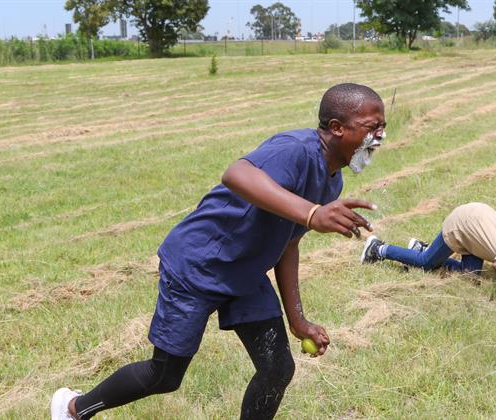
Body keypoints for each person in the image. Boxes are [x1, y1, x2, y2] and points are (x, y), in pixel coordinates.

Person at [51, 83, 386, 420]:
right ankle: (72, 409)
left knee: (277, 368)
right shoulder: (295, 150)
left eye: (382, 127)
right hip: (200, 264)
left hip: (245, 273)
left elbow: (289, 243)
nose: (380, 136)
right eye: (372, 127)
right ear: (337, 127)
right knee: (165, 375)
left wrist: (297, 319)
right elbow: (236, 174)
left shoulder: (332, 181)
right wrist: (312, 213)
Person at [360, 202, 496, 291]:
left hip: (479, 218)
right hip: (464, 224)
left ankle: (420, 248)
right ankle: (378, 249)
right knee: (425, 264)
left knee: (470, 278)